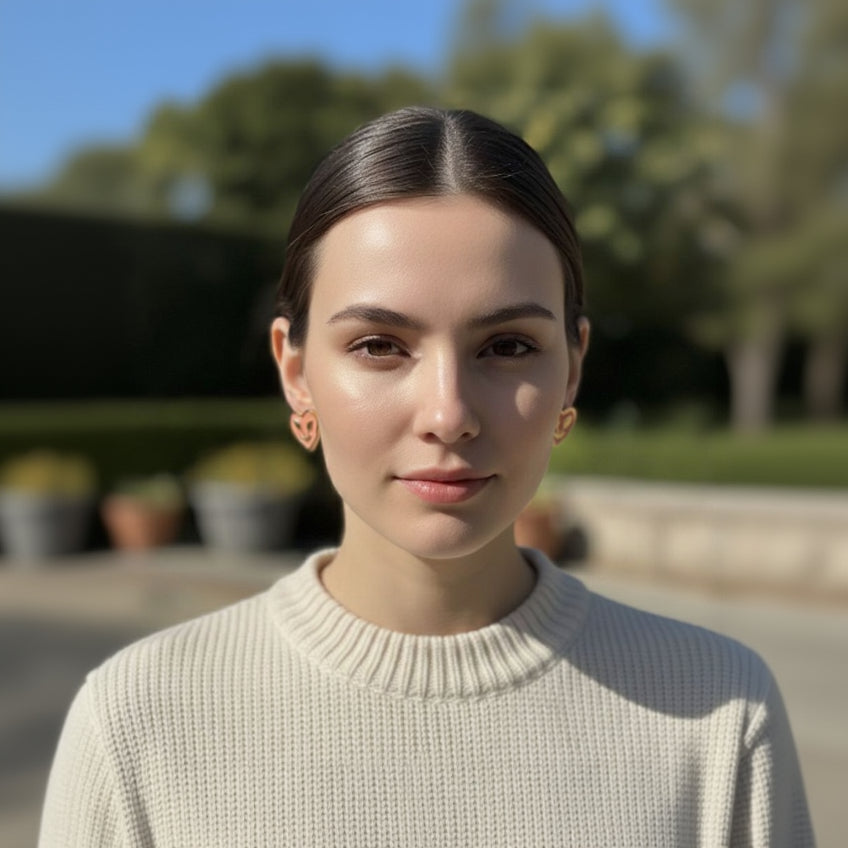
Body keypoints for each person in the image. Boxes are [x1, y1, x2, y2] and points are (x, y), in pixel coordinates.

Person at [39, 107, 814, 847]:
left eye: (507, 346)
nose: (448, 413)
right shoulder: (138, 722)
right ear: (296, 372)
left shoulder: (720, 712)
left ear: (572, 370)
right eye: (380, 345)